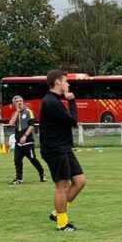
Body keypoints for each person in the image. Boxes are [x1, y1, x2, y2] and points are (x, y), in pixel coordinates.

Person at [40, 69, 86, 232]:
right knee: (62, 186)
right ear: (58, 82)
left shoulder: (56, 100)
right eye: (66, 81)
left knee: (80, 181)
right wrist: (72, 101)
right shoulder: (50, 102)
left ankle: (56, 213)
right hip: (55, 149)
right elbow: (72, 121)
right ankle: (62, 223)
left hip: (64, 148)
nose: (68, 84)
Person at [8, 95, 46, 184]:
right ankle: (19, 178)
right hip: (18, 143)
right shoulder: (15, 113)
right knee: (17, 160)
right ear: (14, 104)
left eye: (20, 101)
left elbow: (32, 125)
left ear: (23, 101)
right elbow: (11, 123)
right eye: (17, 101)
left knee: (32, 159)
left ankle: (42, 173)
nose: (19, 103)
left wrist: (25, 136)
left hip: (28, 141)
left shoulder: (29, 112)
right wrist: (17, 112)